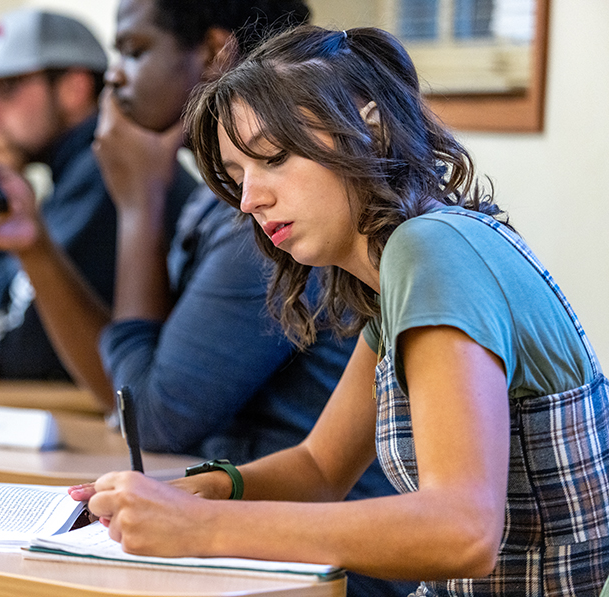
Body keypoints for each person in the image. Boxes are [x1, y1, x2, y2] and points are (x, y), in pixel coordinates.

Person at [73, 25, 609, 595]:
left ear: (367, 129)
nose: (250, 198)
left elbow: (464, 531)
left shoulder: (431, 250)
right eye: (237, 177)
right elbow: (320, 469)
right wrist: (191, 490)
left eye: (273, 158)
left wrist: (203, 526)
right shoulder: (404, 270)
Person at [0, 3, 411, 595]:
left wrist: (140, 202)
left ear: (215, 54)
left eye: (135, 51)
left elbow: (155, 416)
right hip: (272, 531)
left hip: (326, 564)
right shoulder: (221, 208)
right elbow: (130, 401)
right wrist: (35, 246)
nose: (116, 77)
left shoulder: (296, 228)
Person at [0, 7, 194, 383]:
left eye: (6, 89)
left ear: (73, 88)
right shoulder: (73, 177)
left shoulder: (103, 172)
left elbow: (20, 336)